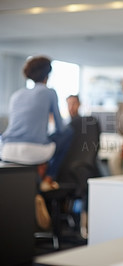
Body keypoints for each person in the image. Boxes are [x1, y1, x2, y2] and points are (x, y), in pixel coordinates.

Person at [1, 56, 74, 228]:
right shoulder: (49, 92)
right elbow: (60, 127)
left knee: (32, 158)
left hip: (7, 150)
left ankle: (35, 191)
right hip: (33, 151)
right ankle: (48, 179)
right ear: (47, 74)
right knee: (68, 133)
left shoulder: (17, 94)